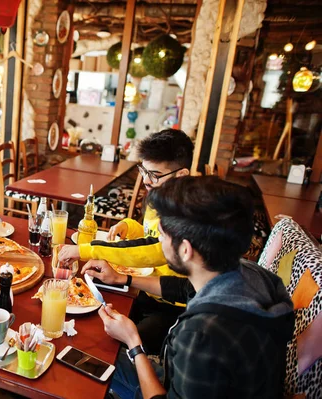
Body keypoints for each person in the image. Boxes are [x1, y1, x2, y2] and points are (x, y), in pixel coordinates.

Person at [87, 176, 294, 399]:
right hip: (200, 382)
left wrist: (133, 342)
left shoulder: (201, 335)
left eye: (162, 234)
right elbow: (185, 288)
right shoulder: (251, 273)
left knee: (97, 354)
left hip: (170, 388)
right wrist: (123, 279)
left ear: (185, 250)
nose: (158, 236)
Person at [59, 128, 194, 354]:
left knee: (113, 346)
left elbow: (154, 250)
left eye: (154, 175)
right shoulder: (158, 197)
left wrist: (85, 250)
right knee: (92, 322)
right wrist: (130, 226)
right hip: (145, 289)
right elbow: (149, 236)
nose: (145, 180)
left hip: (174, 306)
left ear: (181, 175)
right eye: (143, 170)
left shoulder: (185, 212)